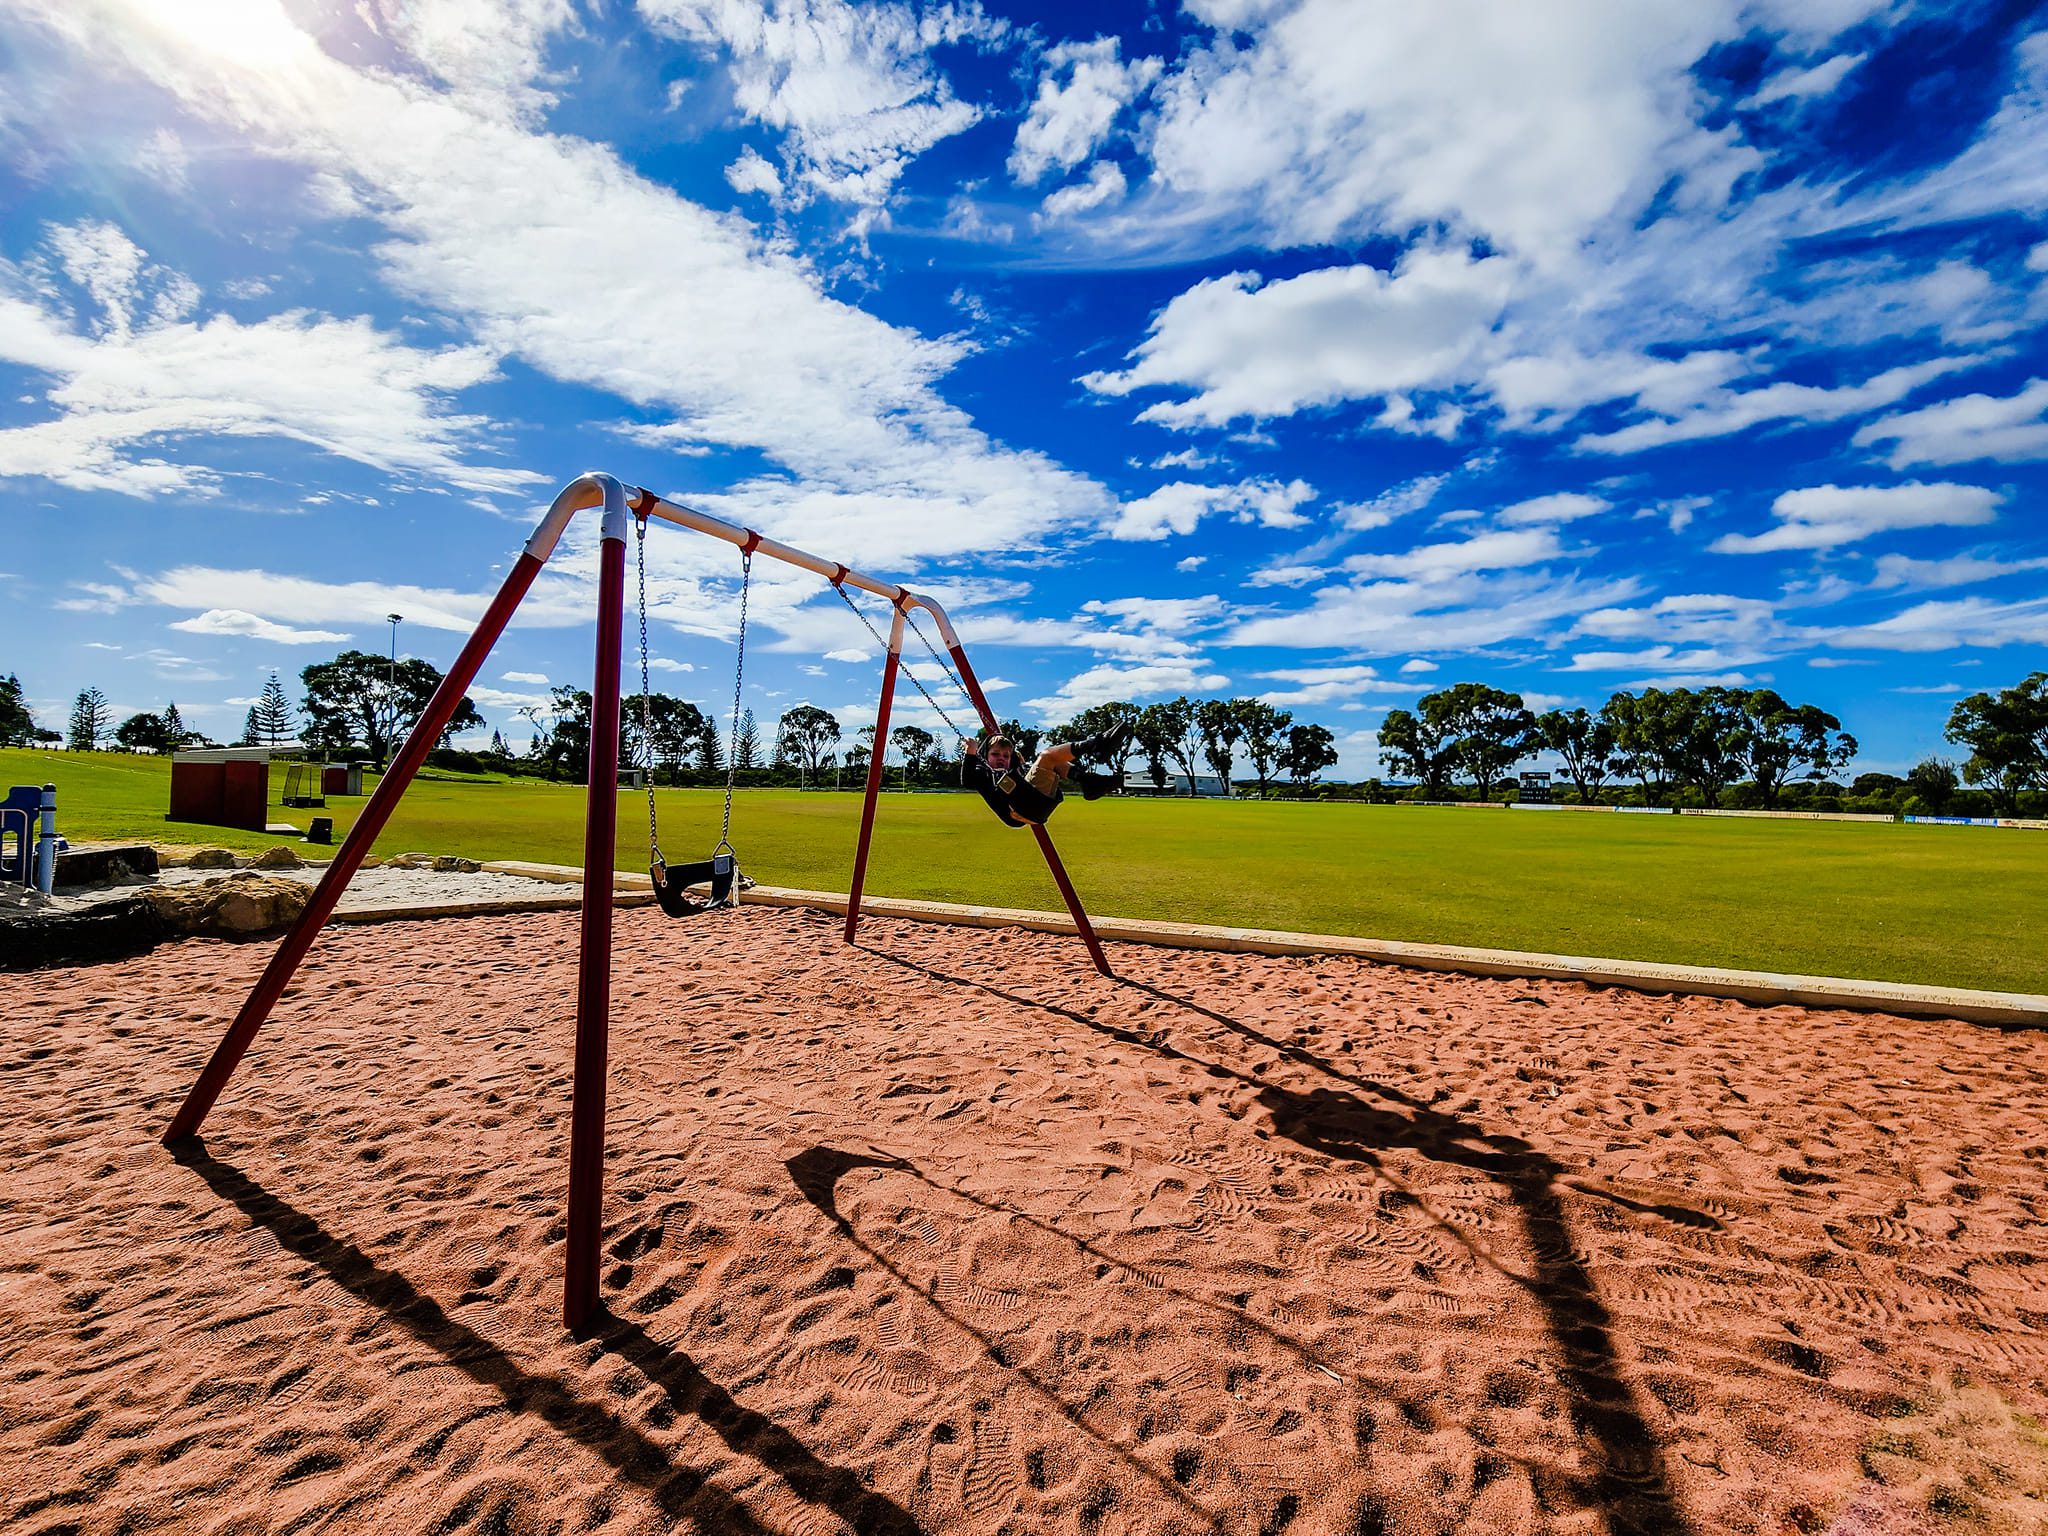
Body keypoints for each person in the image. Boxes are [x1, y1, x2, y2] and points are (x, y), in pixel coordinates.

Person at [963, 723, 1133, 827]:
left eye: (1006, 756)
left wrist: (1020, 765)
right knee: (1047, 756)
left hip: (1034, 805)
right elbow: (967, 781)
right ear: (985, 755)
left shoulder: (1012, 770)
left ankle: (1089, 782)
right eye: (995, 754)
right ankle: (1096, 744)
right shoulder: (982, 773)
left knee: (1056, 761)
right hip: (1020, 809)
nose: (1001, 759)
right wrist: (970, 753)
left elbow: (1019, 773)